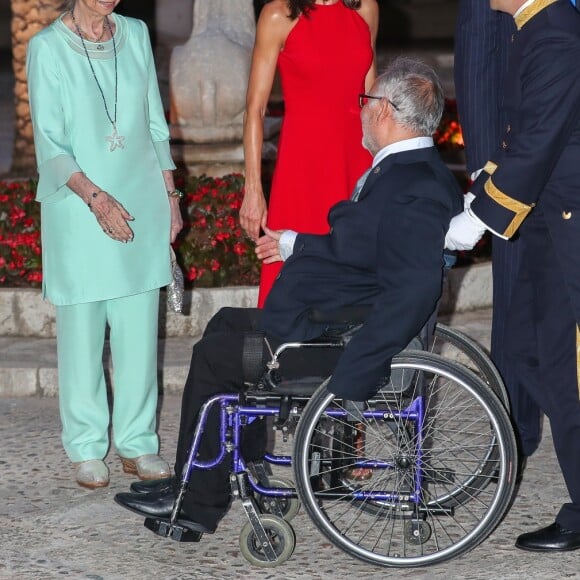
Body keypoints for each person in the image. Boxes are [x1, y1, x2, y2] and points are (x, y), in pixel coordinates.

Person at [114, 57, 463, 535]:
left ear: (385, 110)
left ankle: (195, 504)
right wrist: (296, 244)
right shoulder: (411, 172)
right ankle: (227, 471)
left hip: (338, 340)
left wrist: (357, 368)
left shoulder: (412, 186)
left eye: (366, 103)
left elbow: (415, 287)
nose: (361, 113)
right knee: (225, 326)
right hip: (332, 318)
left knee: (214, 357)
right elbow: (365, 249)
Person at [26, 0, 183, 489]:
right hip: (78, 206)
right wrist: (95, 199)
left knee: (139, 332)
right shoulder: (46, 47)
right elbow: (50, 143)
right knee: (82, 331)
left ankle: (138, 443)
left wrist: (172, 198)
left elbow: (155, 124)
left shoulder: (134, 33)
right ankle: (87, 444)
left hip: (140, 203)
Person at [445, 0, 580, 552]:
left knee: (564, 369)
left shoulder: (556, 32)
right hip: (548, 224)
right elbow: (516, 137)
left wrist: (476, 220)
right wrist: (471, 199)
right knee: (529, 353)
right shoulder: (536, 29)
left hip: (567, 226)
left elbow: (535, 144)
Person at [240, 0, 379, 306]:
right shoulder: (279, 14)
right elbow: (256, 109)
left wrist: (387, 165)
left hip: (357, 163)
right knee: (292, 282)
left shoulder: (364, 8)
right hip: (303, 169)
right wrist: (253, 189)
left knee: (358, 277)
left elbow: (371, 97)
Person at [454, 0, 542, 458]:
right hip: (517, 159)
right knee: (514, 300)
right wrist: (487, 167)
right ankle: (516, 431)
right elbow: (475, 54)